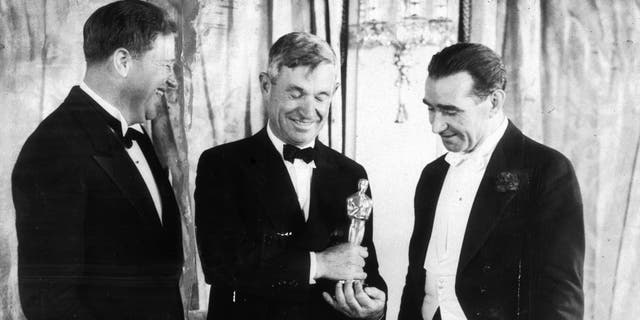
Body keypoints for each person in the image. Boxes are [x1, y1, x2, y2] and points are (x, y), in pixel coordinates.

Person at [195, 31, 387, 320]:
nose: (309, 111)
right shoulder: (221, 164)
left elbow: (363, 267)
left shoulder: (352, 174)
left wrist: (375, 308)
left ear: (333, 93)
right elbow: (220, 264)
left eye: (321, 96)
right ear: (266, 85)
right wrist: (318, 264)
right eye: (296, 93)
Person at [12, 1, 183, 319]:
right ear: (123, 61)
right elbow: (51, 305)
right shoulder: (51, 149)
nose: (172, 80)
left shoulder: (136, 133)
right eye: (165, 65)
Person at [398, 43, 584, 320]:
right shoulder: (433, 175)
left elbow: (561, 300)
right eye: (431, 109)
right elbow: (417, 283)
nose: (436, 126)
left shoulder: (548, 170)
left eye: (450, 111)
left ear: (494, 102)